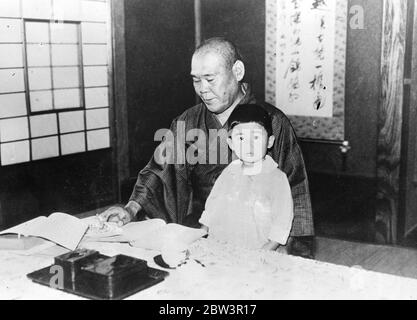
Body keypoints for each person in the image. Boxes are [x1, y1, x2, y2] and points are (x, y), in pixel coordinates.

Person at [101, 37, 314, 258]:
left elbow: (295, 188)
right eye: (196, 80)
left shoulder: (272, 121)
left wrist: (288, 249)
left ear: (237, 71)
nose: (203, 89)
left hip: (260, 235)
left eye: (210, 79)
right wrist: (131, 208)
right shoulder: (189, 121)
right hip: (207, 225)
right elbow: (159, 169)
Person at [199, 104, 294, 250]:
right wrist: (202, 233)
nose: (248, 146)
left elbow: (282, 221)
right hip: (222, 245)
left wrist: (266, 250)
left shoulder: (276, 178)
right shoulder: (229, 172)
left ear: (269, 141)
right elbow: (212, 205)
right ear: (231, 143)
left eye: (256, 137)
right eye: (241, 138)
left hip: (258, 250)